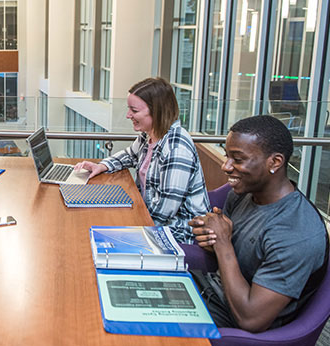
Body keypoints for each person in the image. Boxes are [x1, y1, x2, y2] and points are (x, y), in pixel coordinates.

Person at [188, 115, 328, 332]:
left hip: (228, 322)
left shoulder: (296, 233)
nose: (226, 166)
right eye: (227, 156)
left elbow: (251, 319)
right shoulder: (243, 194)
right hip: (205, 290)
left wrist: (223, 243)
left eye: (238, 159)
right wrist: (211, 239)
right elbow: (239, 255)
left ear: (275, 162)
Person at [74, 77, 209, 243]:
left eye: (134, 111)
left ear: (157, 111)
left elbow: (162, 213)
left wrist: (126, 225)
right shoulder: (150, 135)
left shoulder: (176, 149)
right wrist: (101, 166)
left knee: (95, 233)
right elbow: (130, 154)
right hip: (150, 219)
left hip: (177, 233)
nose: (128, 115)